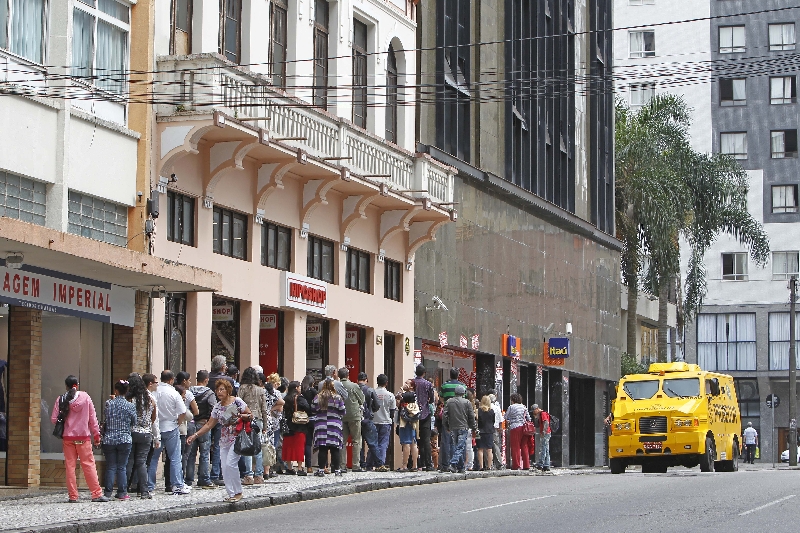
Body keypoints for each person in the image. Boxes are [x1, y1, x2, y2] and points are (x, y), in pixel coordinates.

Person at [188, 379, 252, 502]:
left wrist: (239, 416)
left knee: (231, 464)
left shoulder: (237, 401)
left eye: (222, 389)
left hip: (237, 438)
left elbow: (250, 415)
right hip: (224, 440)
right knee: (225, 467)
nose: (219, 392)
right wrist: (195, 435)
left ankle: (238, 492)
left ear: (228, 390)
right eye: (217, 390)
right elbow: (209, 425)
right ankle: (231, 494)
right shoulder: (217, 407)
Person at [50, 375, 109, 503]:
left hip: (68, 438)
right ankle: (96, 494)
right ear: (77, 384)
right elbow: (93, 418)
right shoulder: (85, 397)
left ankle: (73, 496)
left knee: (70, 466)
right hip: (83, 437)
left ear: (66, 386)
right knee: (88, 464)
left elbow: (54, 419)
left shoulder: (61, 399)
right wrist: (96, 435)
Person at [153, 370, 191, 494]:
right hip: (171, 426)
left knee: (154, 458)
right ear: (171, 380)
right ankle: (177, 485)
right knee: (175, 457)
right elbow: (183, 412)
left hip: (157, 427)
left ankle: (149, 486)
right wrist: (178, 423)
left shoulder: (154, 391)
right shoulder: (173, 392)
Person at [102, 379, 136, 500]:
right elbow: (134, 421)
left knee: (111, 466)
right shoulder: (130, 405)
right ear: (126, 391)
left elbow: (106, 416)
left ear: (115, 391)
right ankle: (122, 492)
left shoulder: (108, 403)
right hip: (124, 438)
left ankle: (107, 493)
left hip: (109, 438)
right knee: (122, 466)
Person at [126, 373, 158, 499]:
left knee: (129, 461)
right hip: (146, 433)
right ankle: (144, 491)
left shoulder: (130, 400)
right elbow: (154, 418)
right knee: (141, 462)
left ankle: (124, 489)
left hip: (132, 431)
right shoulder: (150, 399)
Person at [238, 367, 268, 484]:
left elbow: (238, 405)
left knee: (247, 447)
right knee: (257, 446)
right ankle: (259, 475)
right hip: (258, 419)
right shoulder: (260, 390)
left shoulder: (242, 388)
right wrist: (265, 425)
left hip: (246, 419)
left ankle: (249, 475)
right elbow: (264, 409)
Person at [186, 370, 216, 488]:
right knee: (204, 453)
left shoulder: (189, 391)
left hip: (191, 423)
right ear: (206, 380)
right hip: (204, 424)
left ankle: (188, 479)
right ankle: (204, 478)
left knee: (191, 453)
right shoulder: (209, 393)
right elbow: (213, 408)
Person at [208, 355, 234, 486]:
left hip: (207, 415)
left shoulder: (207, 378)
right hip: (223, 414)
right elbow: (232, 399)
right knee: (220, 444)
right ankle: (216, 473)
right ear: (223, 366)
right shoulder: (227, 380)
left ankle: (206, 474)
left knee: (207, 446)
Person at [312, 378, 346, 476]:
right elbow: (343, 411)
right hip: (334, 425)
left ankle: (321, 470)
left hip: (321, 425)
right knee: (335, 449)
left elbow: (313, 409)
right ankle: (337, 470)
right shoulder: (338, 398)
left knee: (322, 448)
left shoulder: (317, 397)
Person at [337, 367, 365, 471]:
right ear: (348, 375)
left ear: (339, 376)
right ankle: (356, 465)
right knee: (356, 440)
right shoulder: (354, 386)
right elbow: (362, 399)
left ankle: (342, 465)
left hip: (340, 415)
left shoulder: (336, 386)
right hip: (354, 415)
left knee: (342, 441)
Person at [443, 384, 475, 473]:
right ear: (463, 393)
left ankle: (460, 467)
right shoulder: (467, 402)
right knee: (460, 447)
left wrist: (446, 426)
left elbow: (445, 415)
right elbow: (471, 417)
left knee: (457, 446)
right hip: (463, 427)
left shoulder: (449, 402)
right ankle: (453, 464)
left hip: (453, 427)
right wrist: (474, 428)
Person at [175, 372, 199, 485]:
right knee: (186, 453)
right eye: (189, 380)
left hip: (172, 425)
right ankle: (184, 478)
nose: (190, 382)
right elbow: (196, 411)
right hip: (186, 424)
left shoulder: (172, 391)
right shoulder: (187, 393)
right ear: (184, 381)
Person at [282, 380, 311, 476]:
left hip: (288, 425)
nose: (300, 388)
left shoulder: (286, 398)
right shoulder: (299, 398)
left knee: (288, 447)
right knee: (299, 447)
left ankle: (289, 468)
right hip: (299, 425)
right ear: (296, 388)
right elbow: (307, 407)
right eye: (299, 387)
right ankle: (299, 468)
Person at [439, 368, 465, 470]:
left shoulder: (444, 386)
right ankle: (458, 464)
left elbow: (441, 399)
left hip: (448, 414)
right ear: (458, 375)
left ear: (450, 375)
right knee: (459, 441)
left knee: (446, 440)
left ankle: (445, 464)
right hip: (459, 416)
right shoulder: (463, 386)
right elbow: (464, 400)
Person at [412, 365, 436, 471]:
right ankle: (428, 464)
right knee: (426, 440)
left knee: (415, 440)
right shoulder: (428, 384)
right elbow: (432, 399)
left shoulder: (411, 383)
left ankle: (417, 464)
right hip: (425, 413)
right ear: (424, 373)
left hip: (412, 414)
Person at [357, 372, 380, 470]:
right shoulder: (370, 390)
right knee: (373, 443)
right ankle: (379, 464)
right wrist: (371, 411)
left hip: (357, 419)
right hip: (367, 418)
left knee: (358, 443)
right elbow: (377, 404)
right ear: (366, 380)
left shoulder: (355, 389)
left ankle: (361, 463)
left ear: (357, 380)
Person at [372, 374, 394, 472]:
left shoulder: (372, 393)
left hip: (374, 421)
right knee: (383, 444)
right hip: (385, 421)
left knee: (373, 443)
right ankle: (380, 464)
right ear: (386, 383)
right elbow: (392, 411)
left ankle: (370, 464)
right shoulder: (390, 395)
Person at [505, 394, 531, 470]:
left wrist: (510, 420)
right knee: (524, 446)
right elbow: (529, 418)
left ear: (512, 400)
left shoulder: (511, 407)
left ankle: (516, 465)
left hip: (515, 427)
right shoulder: (524, 407)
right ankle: (526, 465)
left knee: (515, 446)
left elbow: (506, 416)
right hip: (524, 428)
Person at [395, 390, 419, 472]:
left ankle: (404, 465)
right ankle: (415, 465)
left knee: (406, 444)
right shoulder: (414, 406)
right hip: (413, 425)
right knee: (414, 444)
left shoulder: (404, 406)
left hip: (405, 425)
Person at [476, 395, 496, 471]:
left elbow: (477, 420)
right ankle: (489, 466)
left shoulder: (478, 411)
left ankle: (481, 466)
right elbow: (493, 421)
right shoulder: (491, 411)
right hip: (489, 431)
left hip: (480, 431)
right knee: (489, 449)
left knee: (480, 449)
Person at [531, 404, 551, 472]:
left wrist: (544, 432)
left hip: (545, 433)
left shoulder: (543, 413)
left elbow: (546, 423)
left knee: (543, 448)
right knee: (546, 449)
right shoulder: (540, 415)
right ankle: (547, 465)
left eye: (534, 411)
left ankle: (540, 463)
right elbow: (537, 425)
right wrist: (536, 418)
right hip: (546, 433)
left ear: (537, 409)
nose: (533, 412)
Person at [489, 393, 503, 469]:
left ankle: (489, 464)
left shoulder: (487, 407)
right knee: (496, 445)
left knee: (488, 446)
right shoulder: (497, 407)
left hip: (488, 428)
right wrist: (500, 428)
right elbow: (500, 419)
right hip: (495, 428)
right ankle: (498, 462)